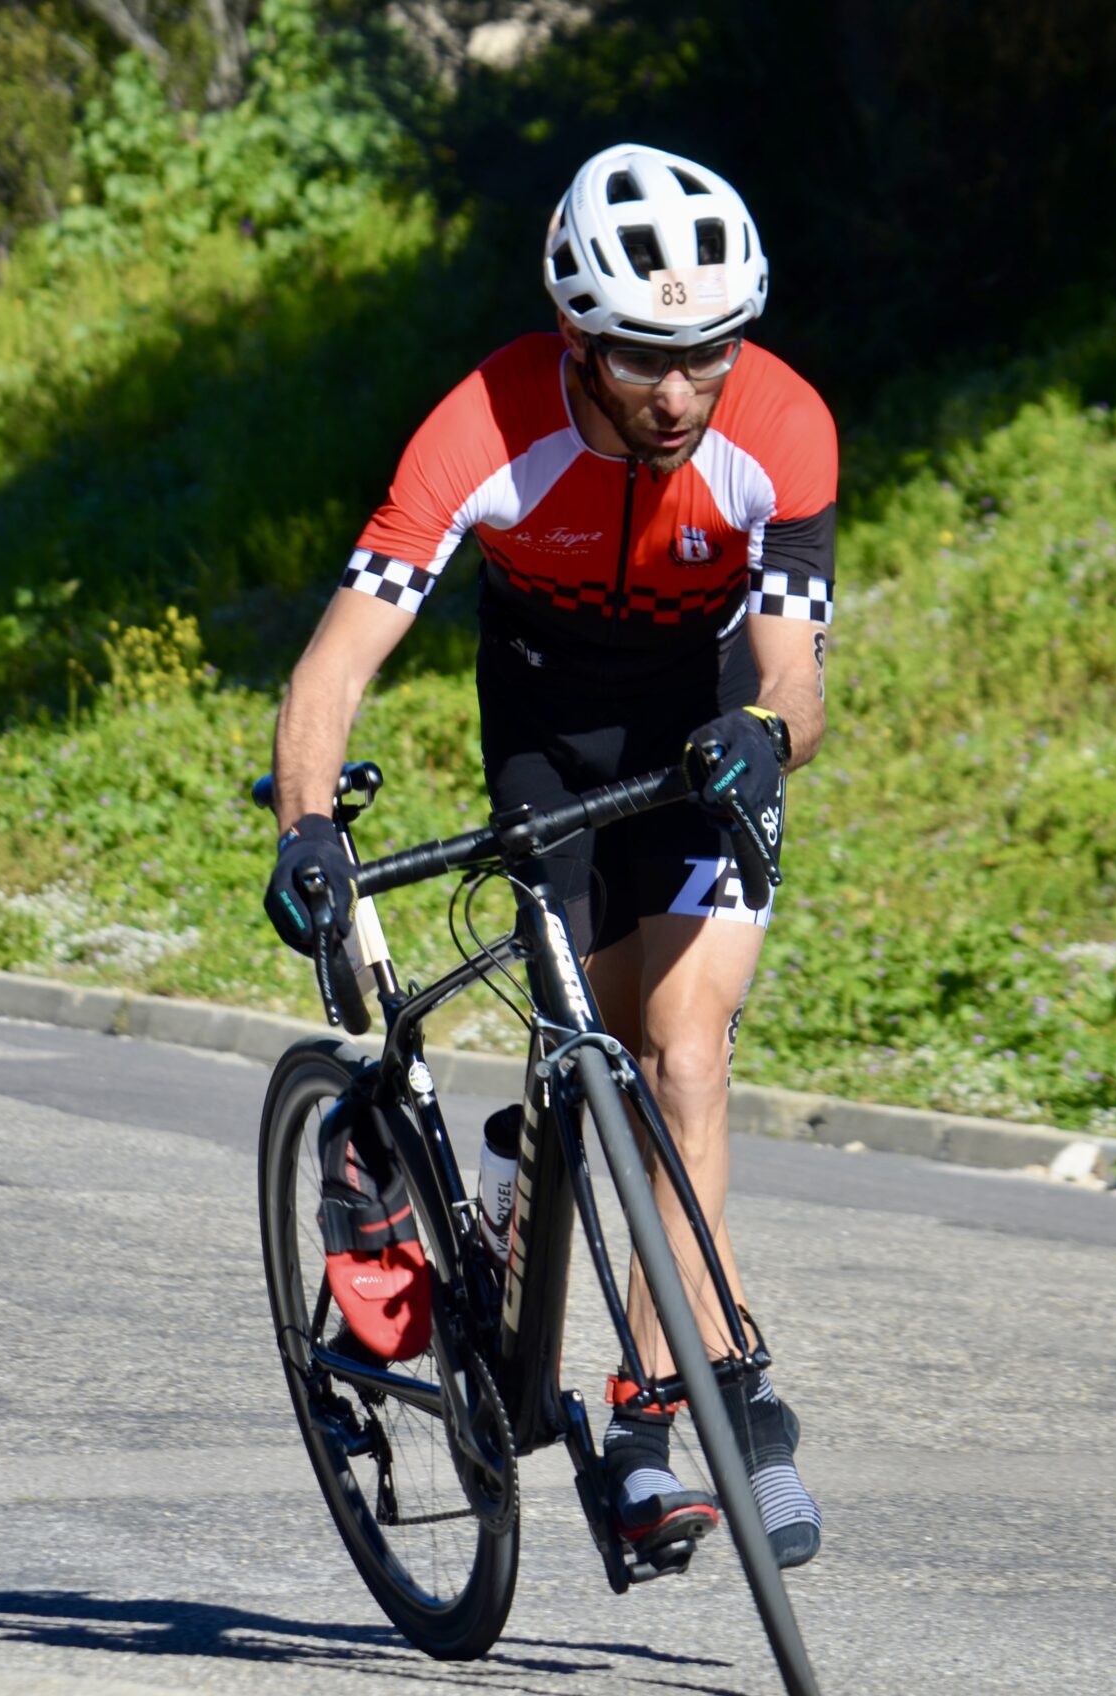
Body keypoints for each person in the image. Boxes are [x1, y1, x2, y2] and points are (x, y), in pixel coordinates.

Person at [263, 144, 834, 1568]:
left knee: (682, 1053)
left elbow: (797, 674)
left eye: (708, 355)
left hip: (707, 723)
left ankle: (653, 1426)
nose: (683, 392)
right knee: (590, 1053)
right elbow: (335, 663)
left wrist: (766, 732)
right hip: (547, 727)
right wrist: (306, 826)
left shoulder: (785, 424)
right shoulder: (481, 427)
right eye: (647, 359)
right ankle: (516, 1196)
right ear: (577, 337)